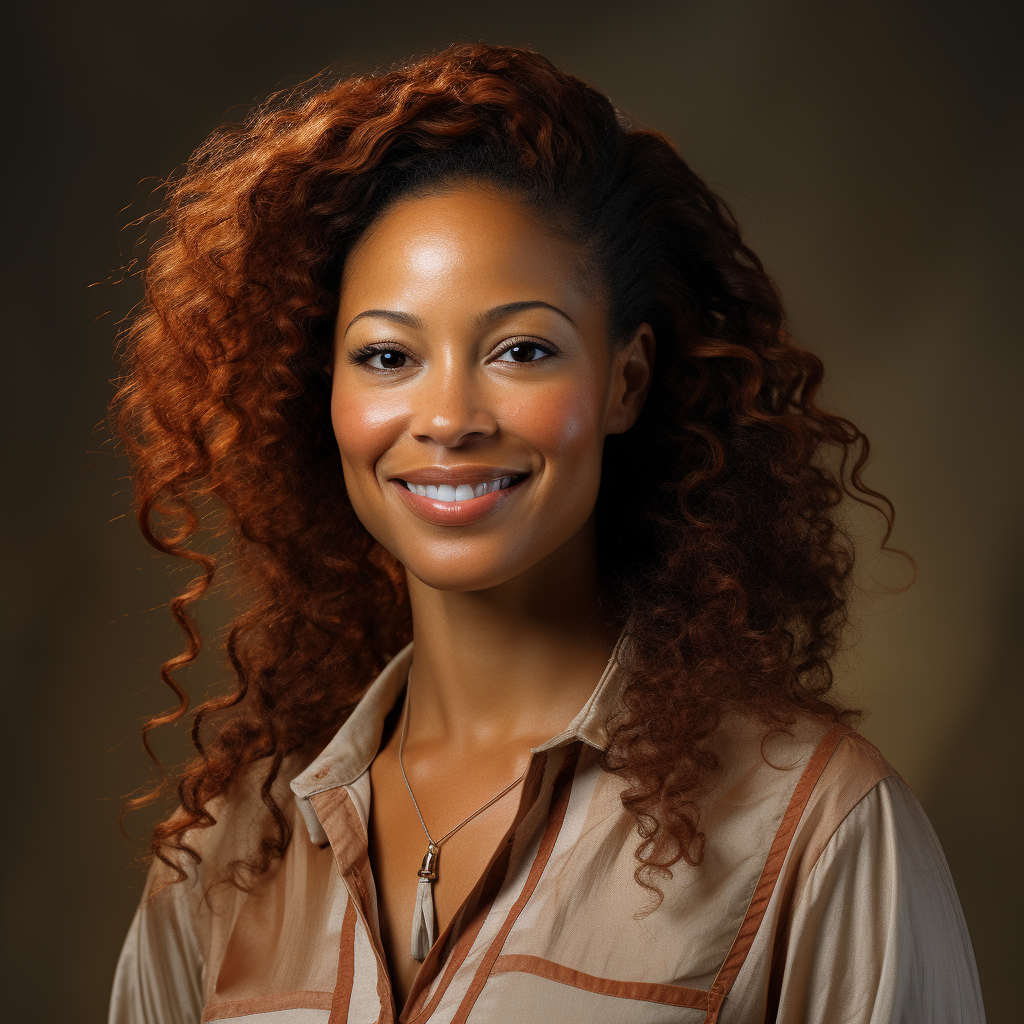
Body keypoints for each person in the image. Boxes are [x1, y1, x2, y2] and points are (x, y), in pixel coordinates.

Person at [105, 41, 985, 1024]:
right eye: (388, 354)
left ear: (625, 382)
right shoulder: (223, 860)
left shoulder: (814, 828)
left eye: (521, 349)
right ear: (326, 396)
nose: (447, 416)